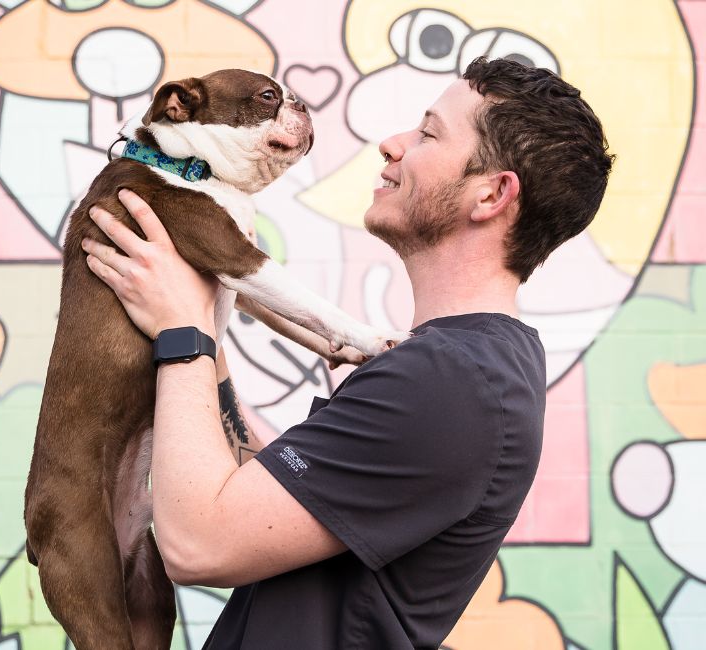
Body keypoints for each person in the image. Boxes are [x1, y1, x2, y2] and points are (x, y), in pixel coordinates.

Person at [81, 57, 614, 649]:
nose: (391, 145)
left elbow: (198, 544)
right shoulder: (462, 366)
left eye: (428, 133)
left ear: (491, 193)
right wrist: (209, 297)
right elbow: (253, 498)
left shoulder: (449, 383)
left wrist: (183, 334)